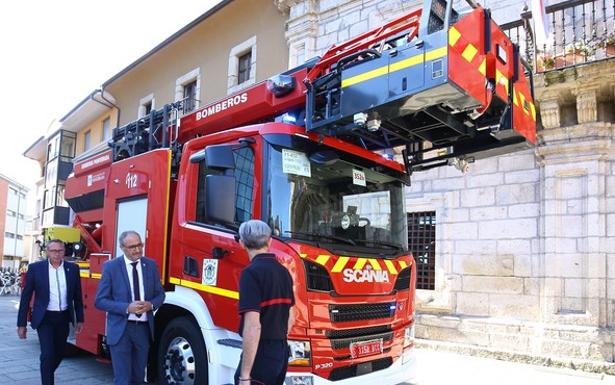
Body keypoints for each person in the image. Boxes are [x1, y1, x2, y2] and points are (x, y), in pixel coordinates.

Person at [95, 231, 165, 385]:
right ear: (122, 247)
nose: (138, 250)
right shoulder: (111, 267)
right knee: (122, 379)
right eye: (132, 247)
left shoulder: (151, 265)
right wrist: (127, 308)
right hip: (121, 330)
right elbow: (100, 301)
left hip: (143, 329)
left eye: (140, 245)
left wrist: (150, 305)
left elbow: (160, 295)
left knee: (138, 378)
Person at [235, 220, 295, 385]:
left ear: (242, 243)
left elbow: (253, 327)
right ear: (269, 242)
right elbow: (291, 318)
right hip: (281, 353)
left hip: (261, 353)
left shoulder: (250, 273)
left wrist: (245, 375)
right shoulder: (284, 272)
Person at [16, 239, 85, 385]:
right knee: (47, 355)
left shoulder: (72, 269)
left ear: (64, 252)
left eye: (60, 250)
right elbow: (26, 297)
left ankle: (46, 372)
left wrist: (80, 319)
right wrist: (21, 324)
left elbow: (78, 297)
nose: (57, 254)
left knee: (59, 353)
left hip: (63, 318)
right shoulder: (36, 268)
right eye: (53, 251)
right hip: (45, 318)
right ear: (47, 252)